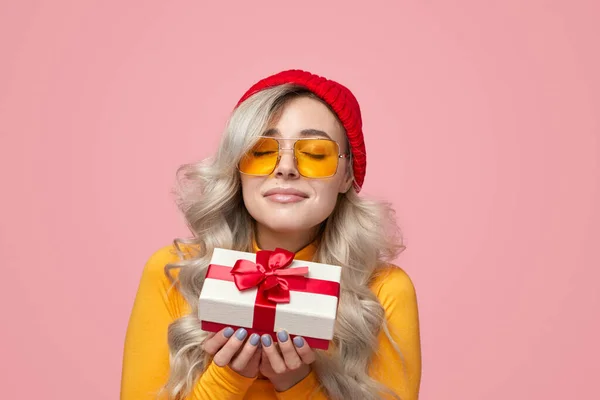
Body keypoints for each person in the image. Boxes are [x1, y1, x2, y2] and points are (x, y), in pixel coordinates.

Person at [120, 69, 422, 400]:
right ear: (237, 167)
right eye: (262, 150)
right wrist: (229, 377)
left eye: (315, 153)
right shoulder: (174, 273)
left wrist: (297, 382)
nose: (286, 167)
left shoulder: (384, 291)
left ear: (347, 176)